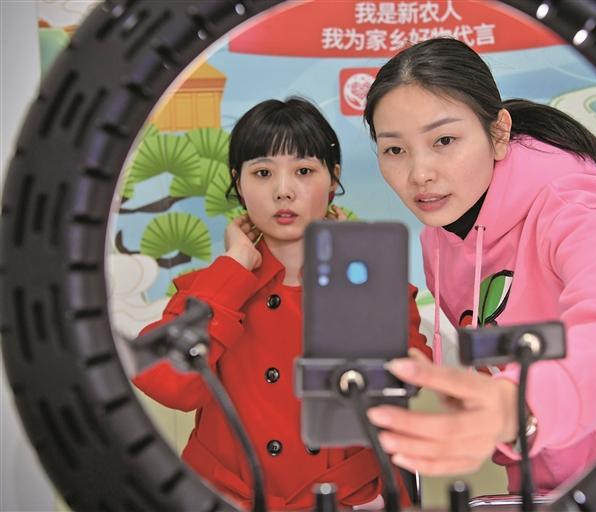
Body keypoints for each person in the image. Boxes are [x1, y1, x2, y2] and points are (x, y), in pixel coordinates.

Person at [361, 37, 596, 496]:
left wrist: (515, 405)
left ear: (499, 133)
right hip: (543, 486)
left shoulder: (573, 206)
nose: (419, 173)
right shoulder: (438, 241)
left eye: (444, 140)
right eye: (394, 150)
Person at [132, 97, 432, 510]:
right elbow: (167, 384)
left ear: (333, 179)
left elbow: (404, 381)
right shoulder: (213, 286)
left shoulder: (376, 282)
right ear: (238, 183)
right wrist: (235, 266)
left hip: (347, 498)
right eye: (262, 172)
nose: (283, 191)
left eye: (304, 171)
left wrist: (348, 272)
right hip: (227, 497)